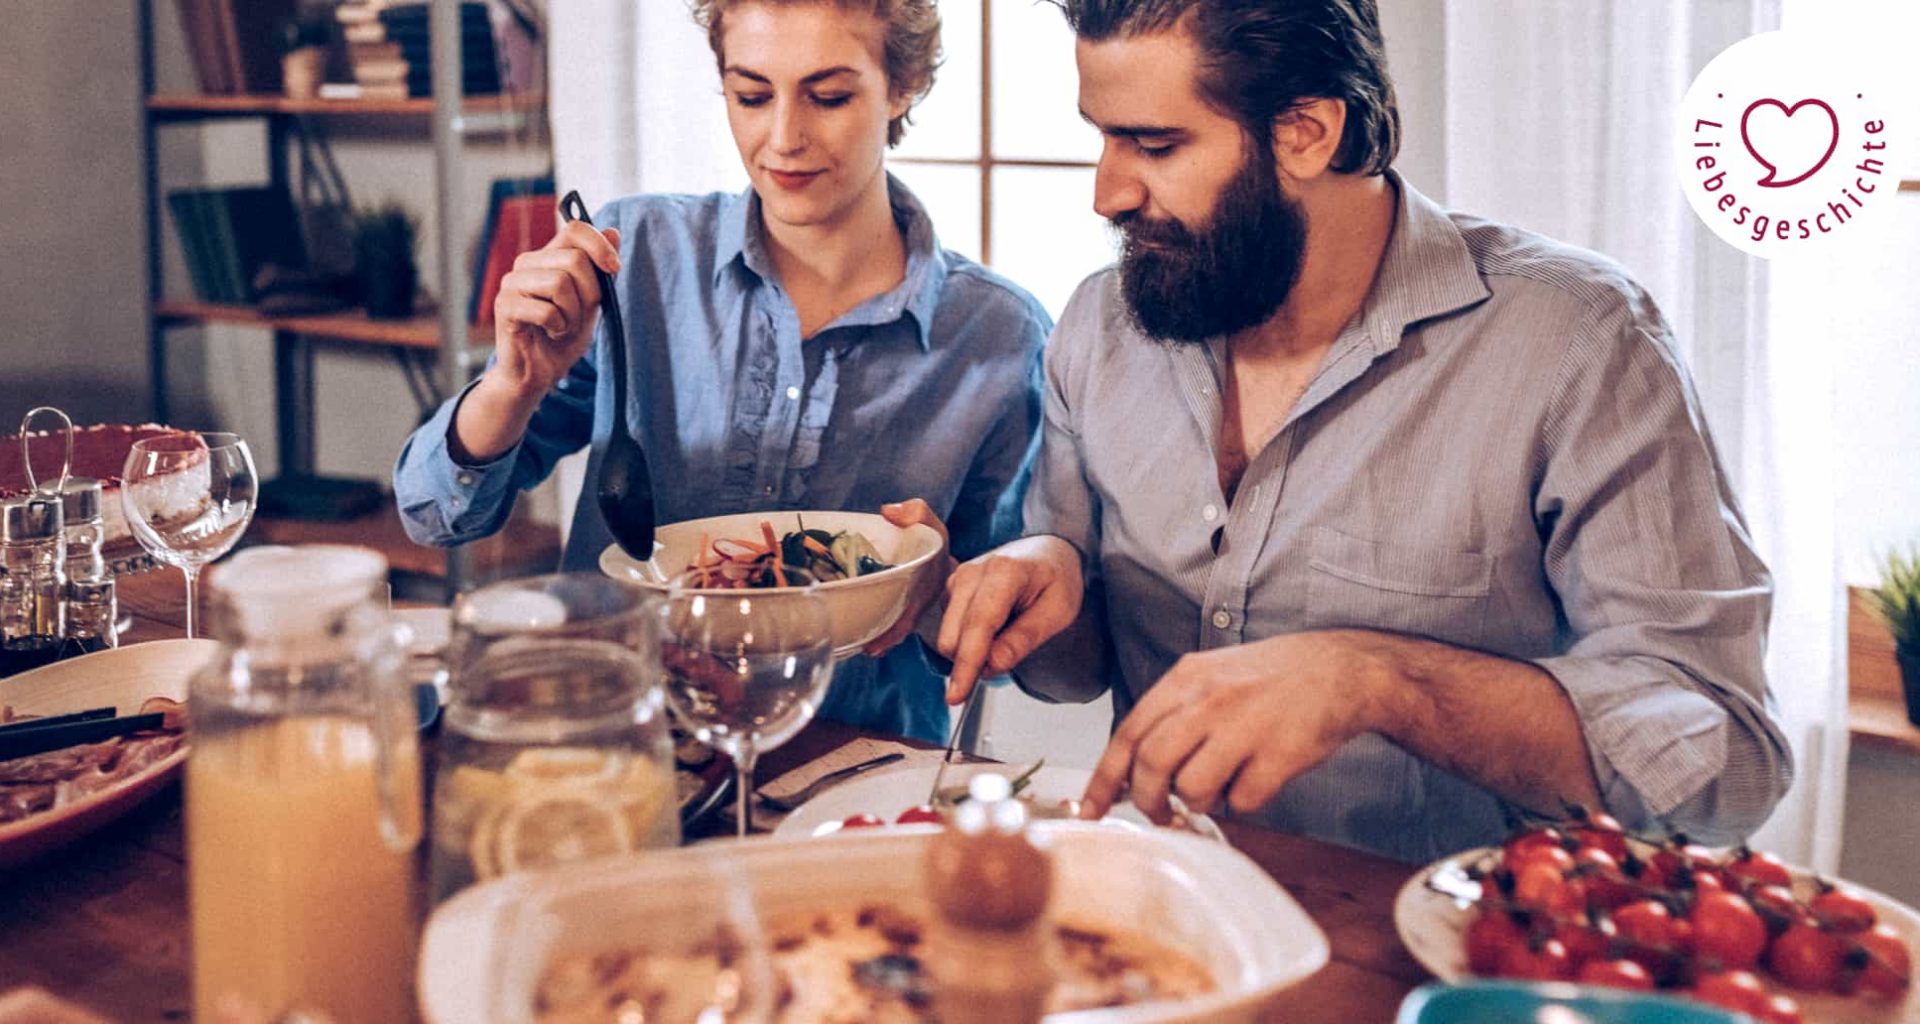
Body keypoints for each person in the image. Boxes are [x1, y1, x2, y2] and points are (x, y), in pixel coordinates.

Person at [934, 0, 1792, 862]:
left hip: (1440, 966)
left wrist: (1378, 680)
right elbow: (1073, 671)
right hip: (1167, 926)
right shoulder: (1100, 327)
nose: (1106, 193)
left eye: (1155, 146)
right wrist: (1052, 573)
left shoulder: (1578, 339)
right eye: (1103, 136)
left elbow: (1725, 761)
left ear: (1306, 131)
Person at [395, 0, 1050, 743]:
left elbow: (1002, 646)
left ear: (903, 86)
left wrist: (937, 588)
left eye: (829, 97)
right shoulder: (635, 255)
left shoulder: (999, 337)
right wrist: (512, 386)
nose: (783, 139)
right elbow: (431, 511)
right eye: (751, 95)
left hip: (844, 771)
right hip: (619, 742)